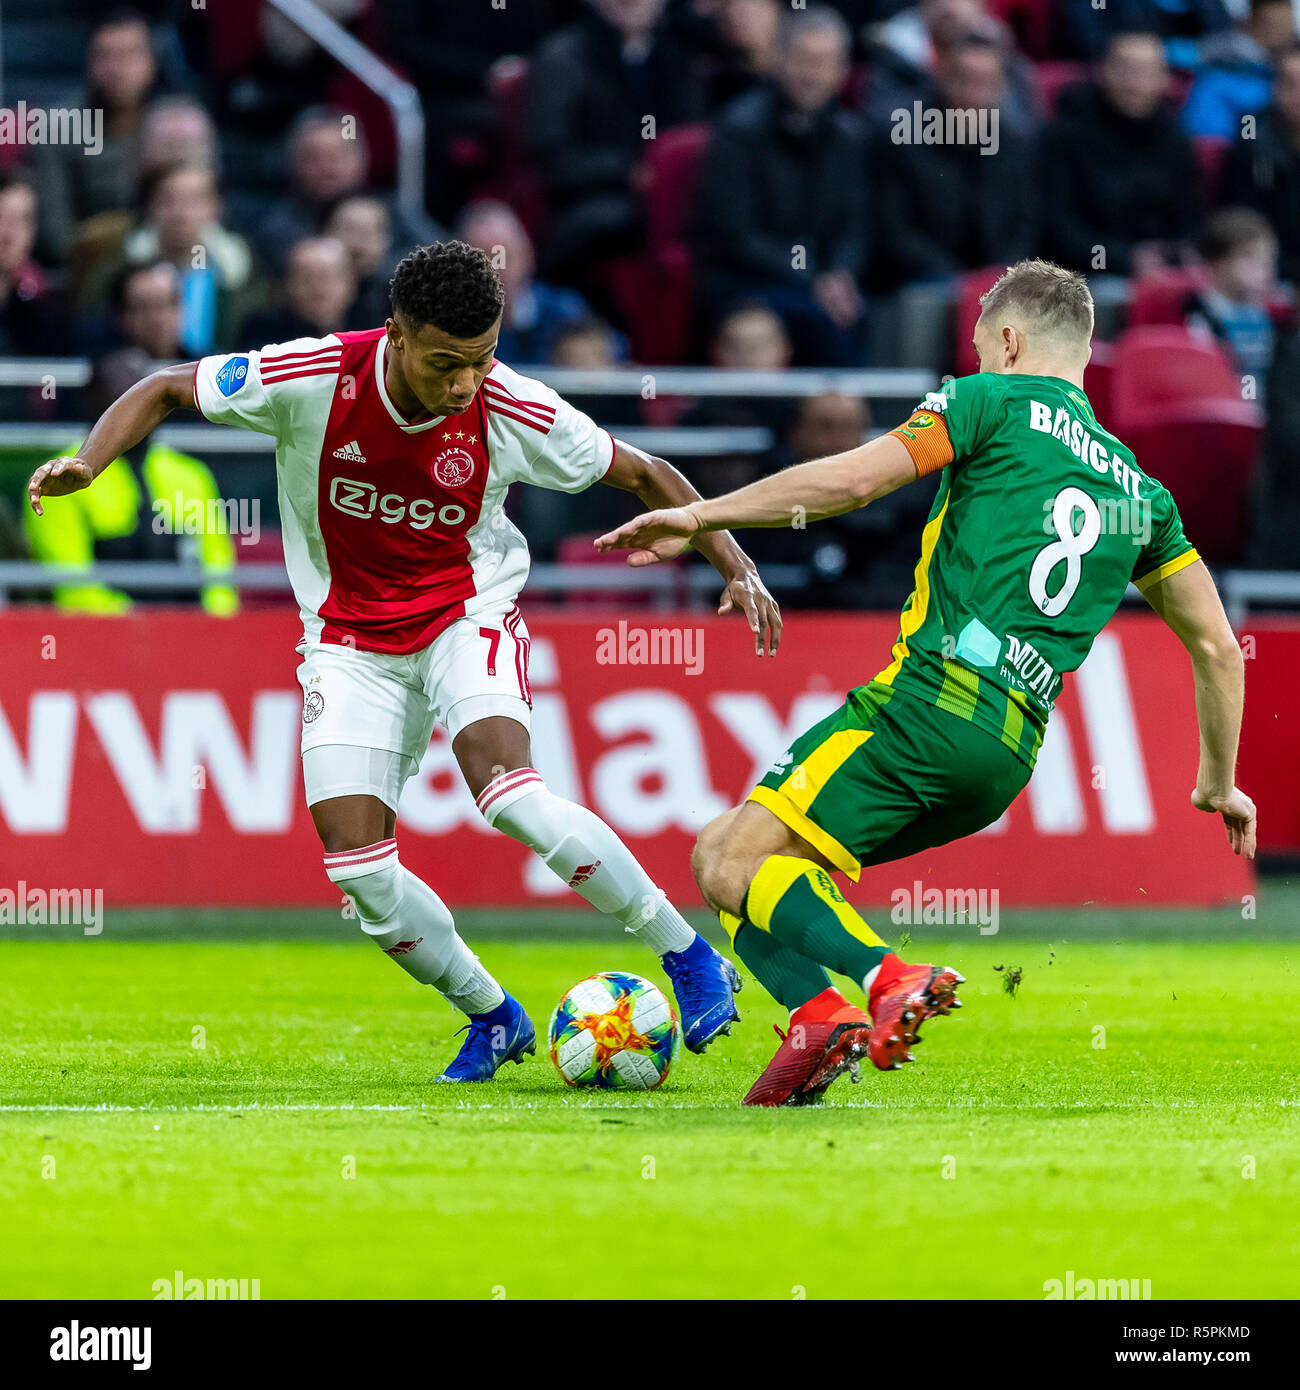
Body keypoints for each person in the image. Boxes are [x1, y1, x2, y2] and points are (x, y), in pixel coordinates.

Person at [26, 240, 782, 1083]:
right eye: (445, 363)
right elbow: (166, 385)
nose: (465, 382)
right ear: (396, 332)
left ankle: (688, 958)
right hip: (347, 641)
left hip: (466, 615)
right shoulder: (312, 374)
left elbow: (646, 474)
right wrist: (89, 464)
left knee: (512, 798)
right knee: (359, 871)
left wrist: (737, 566)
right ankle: (492, 1015)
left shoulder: (509, 407)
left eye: (482, 358)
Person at [596, 259, 1256, 1106]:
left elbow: (850, 480)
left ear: (1010, 341)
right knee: (756, 859)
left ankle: (884, 979)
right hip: (1006, 759)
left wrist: (699, 515)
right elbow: (1217, 647)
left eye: (982, 346)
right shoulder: (1142, 495)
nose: (977, 360)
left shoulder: (986, 403)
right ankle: (818, 1021)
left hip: (927, 706)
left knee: (725, 860)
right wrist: (1217, 783)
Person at [694, 4, 868, 365]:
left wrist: (840, 275)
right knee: (821, 324)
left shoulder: (851, 137)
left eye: (825, 63)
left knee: (872, 312)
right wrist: (813, 278)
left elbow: (857, 225)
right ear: (778, 59)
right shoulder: (739, 129)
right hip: (746, 281)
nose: (813, 74)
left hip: (822, 285)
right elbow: (733, 234)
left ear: (842, 71)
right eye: (804, 59)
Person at [23, 349, 238, 615]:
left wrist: (210, 627)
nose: (134, 409)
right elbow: (73, 589)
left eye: (145, 397)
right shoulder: (58, 480)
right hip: (100, 638)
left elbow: (220, 581)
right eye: (120, 399)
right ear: (91, 402)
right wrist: (143, 630)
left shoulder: (191, 475)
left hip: (190, 636)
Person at [1042, 31, 1201, 277]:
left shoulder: (1176, 138)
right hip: (1085, 276)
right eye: (1125, 69)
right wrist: (1126, 259)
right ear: (1102, 70)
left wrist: (1181, 254)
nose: (1135, 83)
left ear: (1165, 79)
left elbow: (1189, 218)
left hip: (1162, 271)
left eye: (1147, 71)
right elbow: (1058, 228)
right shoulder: (1065, 136)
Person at [1219, 42, 1300, 282]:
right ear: (1274, 87)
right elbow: (1239, 219)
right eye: (1290, 84)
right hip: (1266, 269)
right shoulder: (1250, 139)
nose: (1298, 95)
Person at [1184, 207, 1280, 379]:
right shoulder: (1200, 316)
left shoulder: (1270, 317)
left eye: (1269, 259)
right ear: (1217, 264)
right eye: (1249, 258)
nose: (1263, 269)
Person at [1183, 0, 1297, 140]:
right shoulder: (1220, 76)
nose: (1288, 35)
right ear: (1255, 25)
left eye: (1289, 26)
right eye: (1278, 26)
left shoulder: (1282, 71)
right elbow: (1210, 145)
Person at [241, 236, 356, 345]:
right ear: (289, 284)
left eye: (327, 278)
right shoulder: (263, 330)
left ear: (350, 283)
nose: (319, 290)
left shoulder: (368, 331)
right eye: (307, 279)